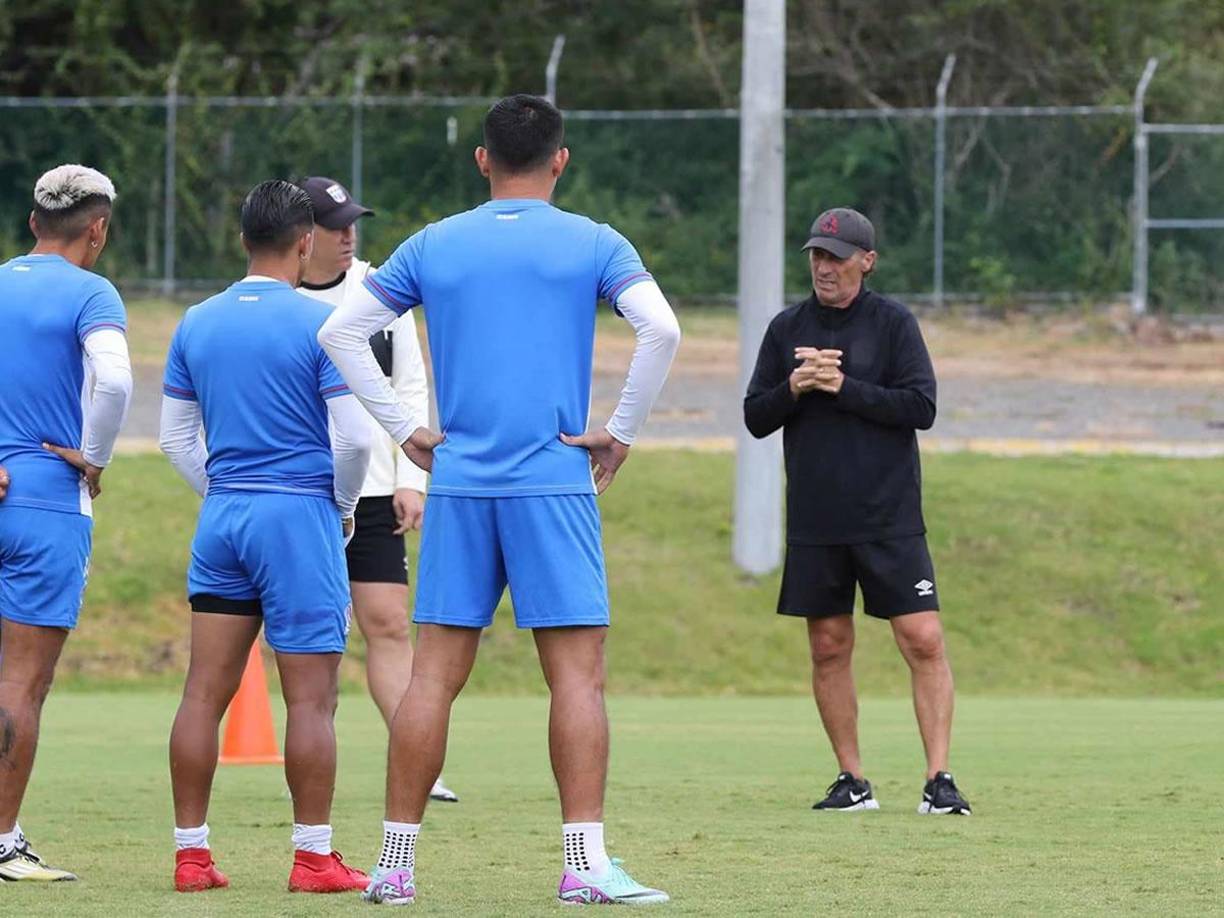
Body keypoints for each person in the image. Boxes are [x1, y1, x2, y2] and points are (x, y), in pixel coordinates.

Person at [319, 94, 681, 906]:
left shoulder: (432, 243)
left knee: (432, 679)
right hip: (554, 481)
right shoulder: (593, 240)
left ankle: (394, 868)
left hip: (462, 483)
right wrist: (619, 432)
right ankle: (584, 869)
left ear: (482, 160)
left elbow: (339, 333)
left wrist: (404, 427)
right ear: (560, 159)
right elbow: (662, 331)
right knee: (577, 679)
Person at [159, 180, 374, 894]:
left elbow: (175, 439)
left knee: (202, 693)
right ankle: (313, 858)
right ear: (305, 241)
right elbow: (352, 442)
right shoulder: (322, 324)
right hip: (296, 517)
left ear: (242, 240)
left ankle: (192, 856)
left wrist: (222, 491)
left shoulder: (195, 322)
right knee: (311, 699)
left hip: (223, 518)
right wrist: (340, 507)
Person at [744, 207, 971, 816]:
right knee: (827, 645)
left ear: (866, 262)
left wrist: (843, 388)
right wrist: (794, 388)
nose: (824, 267)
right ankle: (852, 780)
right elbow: (755, 418)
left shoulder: (893, 325)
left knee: (923, 638)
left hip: (889, 514)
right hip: (818, 519)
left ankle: (939, 780)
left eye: (837, 257)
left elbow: (920, 407)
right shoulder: (785, 328)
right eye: (817, 256)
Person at [295, 176, 456, 803]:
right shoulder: (278, 297)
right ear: (300, 236)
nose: (348, 235)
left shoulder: (381, 289)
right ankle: (308, 755)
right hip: (305, 491)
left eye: (351, 223)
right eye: (335, 226)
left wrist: (412, 479)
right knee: (310, 628)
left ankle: (420, 761)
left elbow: (411, 387)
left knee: (388, 622)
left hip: (375, 489)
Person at [0, 164, 133, 881]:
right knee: (22, 682)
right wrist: (95, 458)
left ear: (31, 225)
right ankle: (2, 841)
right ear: (98, 229)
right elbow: (113, 379)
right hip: (46, 498)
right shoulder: (93, 291)